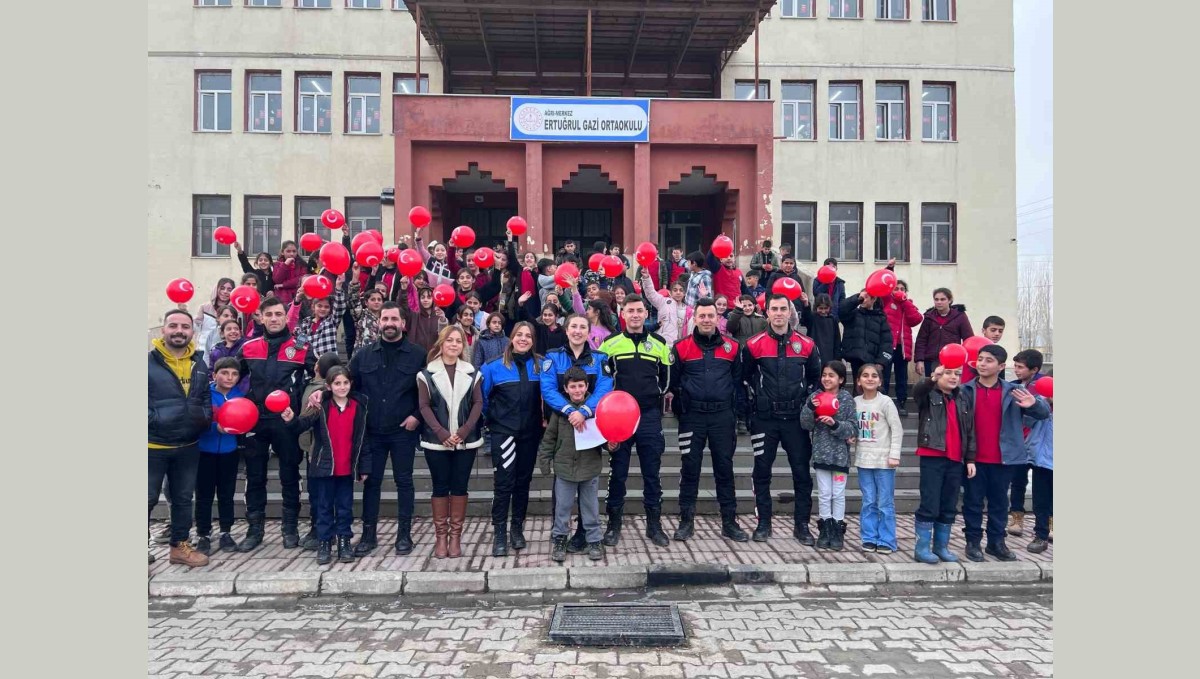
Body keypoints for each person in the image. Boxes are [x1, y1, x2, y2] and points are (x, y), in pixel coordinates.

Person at [334, 302, 426, 556]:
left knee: (404, 482)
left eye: (394, 319)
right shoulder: (363, 355)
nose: (389, 323)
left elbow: (428, 393)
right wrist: (321, 393)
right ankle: (368, 536)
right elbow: (346, 386)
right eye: (385, 318)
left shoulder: (418, 355)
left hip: (403, 431)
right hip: (372, 431)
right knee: (371, 483)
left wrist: (417, 417)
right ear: (378, 323)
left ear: (403, 324)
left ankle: (404, 536)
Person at [233, 296, 317, 552]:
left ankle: (289, 528)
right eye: (268, 314)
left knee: (289, 475)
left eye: (278, 314)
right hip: (255, 422)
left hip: (286, 421)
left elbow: (320, 374)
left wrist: (316, 393)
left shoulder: (300, 347)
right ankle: (254, 529)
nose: (273, 319)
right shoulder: (248, 347)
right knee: (255, 476)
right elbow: (230, 376)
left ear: (285, 316)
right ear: (260, 316)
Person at [742, 294, 824, 545]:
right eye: (774, 309)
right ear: (766, 313)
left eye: (783, 309)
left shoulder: (807, 345)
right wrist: (751, 413)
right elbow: (744, 381)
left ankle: (802, 525)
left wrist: (807, 407)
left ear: (790, 313)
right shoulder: (753, 345)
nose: (778, 313)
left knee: (801, 473)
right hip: (765, 421)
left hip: (796, 421)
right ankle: (763, 523)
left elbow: (815, 380)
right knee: (761, 473)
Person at [957, 345, 1050, 562]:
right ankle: (973, 542)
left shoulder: (1013, 391)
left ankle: (996, 543)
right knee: (972, 502)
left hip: (1004, 459)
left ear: (1001, 366)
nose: (982, 364)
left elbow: (1044, 413)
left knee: (1000, 503)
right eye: (980, 359)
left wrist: (1033, 403)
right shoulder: (965, 390)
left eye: (988, 360)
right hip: (973, 459)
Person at [597, 295, 672, 548]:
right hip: (618, 418)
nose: (636, 315)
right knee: (618, 473)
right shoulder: (610, 344)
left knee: (652, 473)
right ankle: (613, 525)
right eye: (631, 311)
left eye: (640, 310)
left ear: (646, 313)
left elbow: (667, 379)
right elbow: (602, 380)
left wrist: (653, 395)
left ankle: (654, 526)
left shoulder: (659, 343)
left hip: (649, 415)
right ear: (623, 313)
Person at [670, 298, 746, 542]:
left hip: (722, 417)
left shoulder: (732, 347)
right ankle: (686, 521)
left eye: (710, 316)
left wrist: (737, 414)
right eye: (701, 316)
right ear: (694, 318)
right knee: (689, 469)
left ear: (717, 318)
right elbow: (674, 383)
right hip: (692, 417)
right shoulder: (681, 347)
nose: (706, 320)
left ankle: (729, 522)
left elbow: (737, 383)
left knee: (724, 469)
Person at [540, 313, 613, 552]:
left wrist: (585, 411)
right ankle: (560, 537)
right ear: (566, 329)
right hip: (562, 425)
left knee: (588, 498)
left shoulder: (600, 358)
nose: (578, 331)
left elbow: (604, 387)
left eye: (583, 327)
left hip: (589, 427)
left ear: (589, 331)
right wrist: (571, 410)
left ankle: (589, 536)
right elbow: (548, 388)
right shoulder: (553, 357)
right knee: (562, 499)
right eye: (574, 326)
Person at [282, 366, 366, 564]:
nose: (342, 387)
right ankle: (324, 543)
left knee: (345, 507)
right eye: (337, 383)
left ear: (351, 384)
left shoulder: (358, 406)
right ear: (328, 386)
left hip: (346, 467)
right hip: (324, 467)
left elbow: (363, 440)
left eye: (345, 383)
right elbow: (303, 424)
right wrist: (291, 419)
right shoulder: (320, 406)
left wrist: (364, 467)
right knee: (323, 507)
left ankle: (344, 541)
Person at [148, 309, 212, 567]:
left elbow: (205, 396)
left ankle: (179, 546)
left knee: (184, 499)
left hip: (187, 444)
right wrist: (153, 420)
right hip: (152, 445)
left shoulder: (199, 363)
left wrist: (204, 418)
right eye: (173, 325)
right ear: (163, 330)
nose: (179, 331)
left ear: (192, 332)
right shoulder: (147, 362)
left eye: (184, 327)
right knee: (146, 498)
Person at [416, 326, 484, 559]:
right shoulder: (426, 374)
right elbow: (424, 406)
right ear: (441, 343)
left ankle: (455, 537)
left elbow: (477, 404)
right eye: (450, 340)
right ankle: (441, 537)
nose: (454, 345)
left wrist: (464, 431)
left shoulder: (473, 373)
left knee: (460, 487)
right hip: (437, 441)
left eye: (459, 341)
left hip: (466, 442)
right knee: (440, 486)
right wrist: (441, 433)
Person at [480, 322, 544, 556]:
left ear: (533, 340)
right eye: (519, 335)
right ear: (512, 337)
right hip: (504, 433)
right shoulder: (493, 367)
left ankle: (517, 529)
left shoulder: (541, 364)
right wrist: (495, 421)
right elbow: (483, 400)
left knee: (523, 483)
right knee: (504, 484)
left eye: (528, 336)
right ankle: (499, 533)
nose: (524, 339)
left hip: (530, 434)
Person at [538, 367, 606, 562]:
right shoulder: (560, 412)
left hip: (589, 468)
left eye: (580, 386)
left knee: (590, 507)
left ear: (587, 387)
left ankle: (594, 540)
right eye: (573, 387)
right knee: (562, 507)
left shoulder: (596, 410)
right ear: (566, 389)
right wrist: (545, 461)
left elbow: (604, 436)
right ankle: (559, 539)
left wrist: (612, 445)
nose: (577, 390)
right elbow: (549, 438)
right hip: (564, 468)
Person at [911, 364, 975, 564]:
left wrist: (970, 459)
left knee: (949, 504)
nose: (953, 377)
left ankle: (941, 547)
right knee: (930, 504)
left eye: (957, 373)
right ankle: (921, 549)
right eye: (948, 373)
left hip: (956, 459)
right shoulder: (929, 394)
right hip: (933, 456)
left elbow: (970, 430)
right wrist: (932, 378)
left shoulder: (963, 397)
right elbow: (917, 392)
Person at [800, 362, 858, 551]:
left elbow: (852, 427)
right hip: (821, 455)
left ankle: (837, 529)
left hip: (840, 456)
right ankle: (824, 527)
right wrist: (809, 407)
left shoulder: (846, 398)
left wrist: (835, 424)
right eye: (824, 374)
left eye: (831, 375)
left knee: (838, 493)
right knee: (824, 494)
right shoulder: (815, 397)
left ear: (841, 379)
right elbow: (805, 424)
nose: (826, 378)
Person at [193, 357, 246, 556]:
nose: (229, 377)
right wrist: (216, 427)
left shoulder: (239, 396)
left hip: (229, 452)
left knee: (226, 494)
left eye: (234, 374)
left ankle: (226, 532)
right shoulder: (205, 394)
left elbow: (244, 418)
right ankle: (203, 534)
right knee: (204, 495)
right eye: (224, 373)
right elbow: (197, 419)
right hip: (204, 451)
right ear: (214, 375)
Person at [853, 363, 903, 554]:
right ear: (858, 380)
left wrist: (894, 455)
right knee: (868, 501)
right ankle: (869, 537)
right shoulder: (855, 402)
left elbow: (896, 429)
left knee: (885, 502)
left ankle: (887, 540)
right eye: (865, 375)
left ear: (880, 381)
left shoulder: (886, 402)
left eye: (874, 376)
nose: (870, 379)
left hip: (884, 461)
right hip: (863, 460)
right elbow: (854, 427)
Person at [295, 352, 343, 550]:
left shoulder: (319, 390)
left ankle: (322, 530)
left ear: (317, 367)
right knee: (318, 492)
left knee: (318, 493)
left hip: (318, 450)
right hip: (316, 448)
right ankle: (319, 528)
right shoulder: (316, 387)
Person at [1007, 349, 1045, 538]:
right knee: (1018, 482)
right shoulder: (1012, 386)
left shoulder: (1045, 386)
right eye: (1015, 366)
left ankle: (1047, 522)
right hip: (1019, 441)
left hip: (1039, 443)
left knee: (1043, 485)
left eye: (1020, 367)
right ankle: (1016, 518)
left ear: (1034, 369)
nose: (1016, 370)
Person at [881, 280, 923, 416]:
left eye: (902, 289)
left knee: (902, 377)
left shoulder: (908, 304)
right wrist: (889, 270)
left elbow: (916, 319)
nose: (899, 290)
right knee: (885, 376)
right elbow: (884, 286)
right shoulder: (887, 301)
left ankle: (901, 403)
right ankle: (883, 403)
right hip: (888, 345)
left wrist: (904, 302)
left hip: (903, 348)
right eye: (896, 288)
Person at [913, 288, 974, 377]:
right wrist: (919, 360)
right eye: (936, 299)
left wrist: (966, 361)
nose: (939, 302)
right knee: (932, 387)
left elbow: (968, 339)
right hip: (931, 360)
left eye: (943, 299)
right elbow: (921, 340)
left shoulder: (960, 316)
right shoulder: (929, 317)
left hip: (952, 359)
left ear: (950, 300)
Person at [838, 290, 894, 384]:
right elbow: (842, 309)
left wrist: (881, 363)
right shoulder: (853, 314)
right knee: (858, 388)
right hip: (856, 359)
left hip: (873, 361)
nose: (863, 300)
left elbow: (886, 342)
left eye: (866, 297)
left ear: (874, 299)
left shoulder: (881, 318)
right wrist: (857, 298)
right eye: (862, 297)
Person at [288, 274, 348, 359]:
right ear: (313, 307)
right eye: (319, 306)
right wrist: (297, 299)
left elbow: (340, 306)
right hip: (309, 363)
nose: (323, 309)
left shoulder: (331, 321)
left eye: (326, 307)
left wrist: (338, 286)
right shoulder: (306, 322)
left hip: (328, 363)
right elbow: (298, 343)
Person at [640, 271, 687, 348]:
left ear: (684, 293)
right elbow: (651, 294)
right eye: (675, 290)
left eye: (681, 290)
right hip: (661, 343)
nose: (678, 292)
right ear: (670, 293)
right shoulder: (663, 302)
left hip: (679, 346)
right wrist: (646, 278)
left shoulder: (688, 310)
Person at [196, 278, 235, 358]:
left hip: (224, 354)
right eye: (222, 288)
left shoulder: (235, 311)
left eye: (229, 289)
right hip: (202, 351)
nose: (225, 292)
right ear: (216, 289)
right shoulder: (204, 308)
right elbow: (195, 328)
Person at [403, 286, 448, 353]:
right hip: (416, 355)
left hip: (434, 356)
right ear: (419, 299)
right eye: (422, 297)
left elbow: (444, 336)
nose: (425, 300)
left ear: (434, 299)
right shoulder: (413, 315)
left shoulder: (439, 316)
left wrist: (443, 320)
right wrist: (403, 290)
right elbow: (402, 305)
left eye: (429, 297)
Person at [808, 294, 841, 368]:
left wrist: (837, 358)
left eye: (826, 308)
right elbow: (806, 316)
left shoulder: (833, 320)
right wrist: (806, 305)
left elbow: (837, 340)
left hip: (829, 355)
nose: (823, 311)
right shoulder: (812, 319)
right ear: (816, 307)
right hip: (815, 355)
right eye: (820, 308)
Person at [271, 240, 306, 305]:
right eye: (288, 251)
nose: (291, 254)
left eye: (294, 251)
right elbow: (277, 280)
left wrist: (283, 285)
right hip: (282, 299)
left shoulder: (302, 265)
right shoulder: (277, 264)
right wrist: (285, 265)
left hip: (297, 297)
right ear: (282, 252)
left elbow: (301, 280)